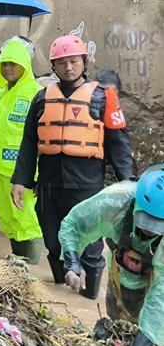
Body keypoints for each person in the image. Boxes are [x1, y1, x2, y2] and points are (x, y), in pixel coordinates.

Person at [11, 35, 135, 298]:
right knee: (53, 239)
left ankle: (89, 296)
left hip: (87, 183)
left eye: (74, 61)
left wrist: (128, 185)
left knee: (90, 243)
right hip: (49, 182)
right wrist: (20, 180)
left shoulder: (104, 98)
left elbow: (119, 145)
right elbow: (29, 142)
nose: (69, 67)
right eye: (62, 63)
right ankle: (60, 291)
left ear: (84, 62)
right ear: (54, 67)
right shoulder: (42, 98)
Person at [59, 164, 164, 346]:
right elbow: (73, 224)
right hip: (122, 263)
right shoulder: (114, 201)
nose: (148, 232)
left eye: (155, 229)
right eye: (144, 224)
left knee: (155, 338)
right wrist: (73, 262)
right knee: (118, 322)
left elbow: (159, 303)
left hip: (158, 271)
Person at [0, 40, 43, 264]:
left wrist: (38, 176)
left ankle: (31, 271)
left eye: (13, 63)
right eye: (4, 63)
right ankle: (17, 266)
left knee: (26, 220)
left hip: (24, 174)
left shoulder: (36, 94)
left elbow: (42, 138)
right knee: (8, 220)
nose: (7, 68)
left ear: (25, 65)